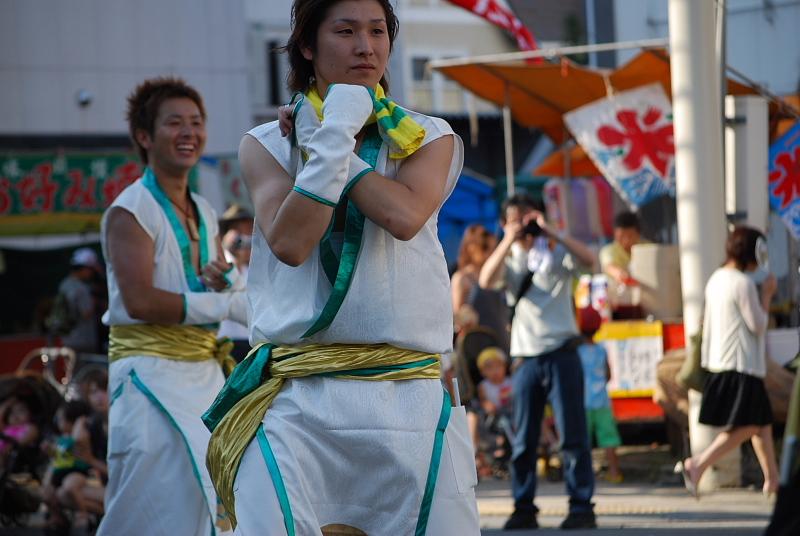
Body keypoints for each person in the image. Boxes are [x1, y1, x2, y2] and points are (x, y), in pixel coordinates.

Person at [203, 0, 480, 533]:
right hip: (298, 400)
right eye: (346, 31)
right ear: (307, 46)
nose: (365, 46)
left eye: (378, 31)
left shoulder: (429, 135)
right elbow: (291, 242)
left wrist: (325, 136)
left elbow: (402, 215)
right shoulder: (266, 144)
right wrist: (329, 135)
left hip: (406, 398)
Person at [97, 77, 246, 535]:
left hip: (202, 378)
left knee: (206, 506)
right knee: (145, 510)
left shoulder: (202, 206)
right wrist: (220, 304)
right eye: (174, 123)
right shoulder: (130, 210)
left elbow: (212, 278)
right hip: (148, 377)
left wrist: (223, 282)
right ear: (144, 137)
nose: (189, 132)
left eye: (196, 123)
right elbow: (140, 301)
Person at [479, 193, 598, 530]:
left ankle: (581, 506)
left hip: (563, 353)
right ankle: (524, 506)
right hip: (526, 360)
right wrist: (508, 239)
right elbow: (486, 280)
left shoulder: (557, 253)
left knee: (572, 435)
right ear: (503, 223)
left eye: (528, 219)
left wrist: (553, 232)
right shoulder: (510, 261)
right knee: (524, 438)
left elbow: (591, 260)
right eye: (515, 219)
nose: (524, 226)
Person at [679, 226, 779, 498]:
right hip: (741, 364)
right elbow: (758, 324)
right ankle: (698, 463)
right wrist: (767, 295)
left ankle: (773, 480)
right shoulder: (742, 283)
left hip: (722, 362)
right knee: (751, 425)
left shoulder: (716, 279)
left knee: (763, 422)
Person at [577, 317, 623, 484]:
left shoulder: (577, 352)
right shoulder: (601, 350)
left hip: (583, 402)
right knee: (609, 438)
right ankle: (614, 472)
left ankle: (585, 475)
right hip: (602, 400)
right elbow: (608, 375)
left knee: (583, 440)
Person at [42, 400, 100, 529]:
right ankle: (57, 517)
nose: (57, 422)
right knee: (47, 494)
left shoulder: (81, 435)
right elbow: (57, 456)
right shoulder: (60, 438)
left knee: (70, 487)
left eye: (60, 419)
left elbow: (77, 441)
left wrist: (80, 423)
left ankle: (83, 514)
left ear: (72, 421)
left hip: (76, 471)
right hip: (60, 472)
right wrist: (49, 451)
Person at [451, 224, 509, 350]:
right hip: (476, 344)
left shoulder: (498, 275)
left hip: (500, 339)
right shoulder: (461, 278)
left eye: (494, 249)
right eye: (486, 248)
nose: (491, 253)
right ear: (472, 248)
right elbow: (457, 315)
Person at [48, 248, 102, 354]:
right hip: (83, 340)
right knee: (86, 369)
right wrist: (96, 302)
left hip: (67, 339)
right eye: (91, 269)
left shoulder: (64, 284)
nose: (91, 273)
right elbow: (86, 313)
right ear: (84, 268)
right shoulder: (81, 288)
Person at [218, 227, 252, 361]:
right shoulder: (220, 268)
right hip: (227, 341)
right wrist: (228, 250)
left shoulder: (251, 272)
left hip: (249, 341)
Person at [476, 346, 513, 463]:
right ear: (483, 372)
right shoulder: (484, 386)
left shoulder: (510, 382)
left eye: (498, 367)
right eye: (490, 368)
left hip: (510, 412)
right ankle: (500, 447)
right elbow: (483, 401)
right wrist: (487, 404)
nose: (495, 371)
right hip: (493, 417)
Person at [598, 211, 643, 285]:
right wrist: (619, 273)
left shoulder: (648, 248)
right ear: (615, 234)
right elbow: (609, 266)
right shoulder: (608, 250)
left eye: (630, 236)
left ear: (638, 234)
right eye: (621, 236)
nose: (626, 241)